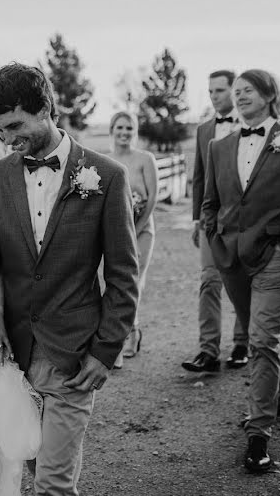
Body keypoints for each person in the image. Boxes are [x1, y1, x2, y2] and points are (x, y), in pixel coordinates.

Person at [0, 63, 139, 495]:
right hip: (12, 359)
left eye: (14, 126)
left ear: (45, 108)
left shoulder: (107, 177)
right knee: (35, 469)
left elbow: (123, 275)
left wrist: (105, 351)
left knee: (53, 485)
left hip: (73, 356)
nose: (7, 140)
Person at [203, 69, 280, 473]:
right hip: (232, 262)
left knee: (260, 341)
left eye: (247, 90)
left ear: (269, 94)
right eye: (235, 92)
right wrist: (215, 236)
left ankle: (258, 434)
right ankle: (279, 391)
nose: (238, 97)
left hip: (274, 262)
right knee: (260, 338)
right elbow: (210, 201)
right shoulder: (219, 148)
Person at [182, 70, 249, 373]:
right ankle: (208, 350)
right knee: (209, 281)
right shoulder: (204, 129)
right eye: (210, 92)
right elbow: (199, 177)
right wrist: (197, 219)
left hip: (245, 219)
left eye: (219, 91)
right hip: (212, 219)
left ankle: (242, 344)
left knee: (242, 282)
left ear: (234, 91)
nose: (214, 96)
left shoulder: (251, 125)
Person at [106, 111, 157, 369]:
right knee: (113, 284)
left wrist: (136, 229)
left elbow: (152, 198)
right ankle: (124, 334)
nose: (124, 132)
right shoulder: (106, 161)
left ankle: (131, 331)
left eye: (129, 128)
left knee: (133, 282)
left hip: (142, 230)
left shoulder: (145, 159)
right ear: (112, 130)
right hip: (115, 235)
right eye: (120, 127)